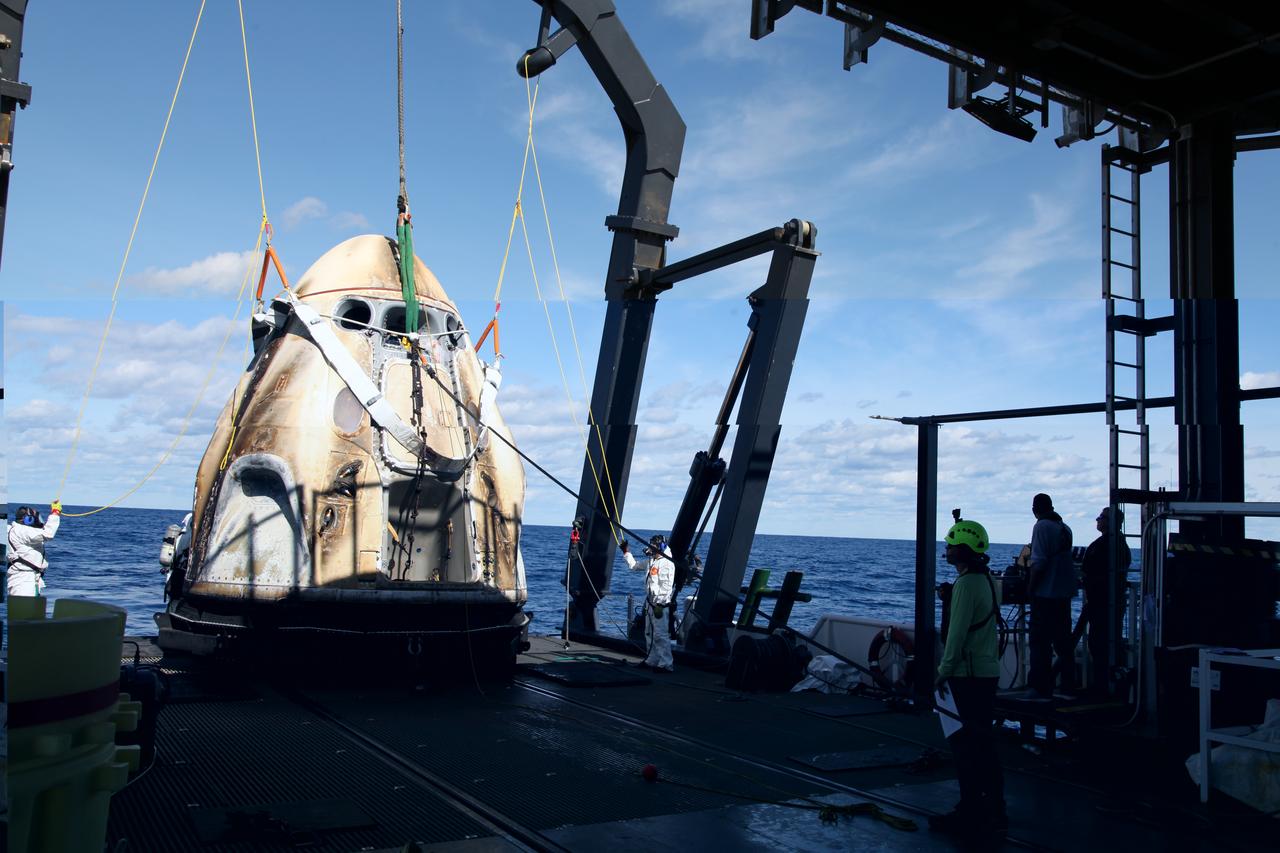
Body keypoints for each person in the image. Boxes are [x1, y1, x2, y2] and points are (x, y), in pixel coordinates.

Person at [932, 516, 1006, 838]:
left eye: (950, 544)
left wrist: (942, 673)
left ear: (961, 550)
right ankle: (993, 807)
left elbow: (956, 636)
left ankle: (971, 810)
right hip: (987, 674)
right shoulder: (987, 581)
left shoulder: (964, 585)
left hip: (966, 676)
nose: (946, 549)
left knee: (964, 748)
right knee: (984, 745)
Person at [1024, 492, 1075, 700]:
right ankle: (1068, 685)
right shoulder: (1065, 528)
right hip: (1063, 594)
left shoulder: (1041, 526)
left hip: (1045, 594)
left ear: (1035, 508)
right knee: (1063, 642)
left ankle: (1039, 687)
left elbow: (1039, 563)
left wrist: (1030, 588)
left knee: (1039, 642)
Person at [1076, 507, 1132, 694]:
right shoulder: (1121, 545)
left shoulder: (1103, 545)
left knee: (1099, 644)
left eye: (1101, 517)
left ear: (1109, 521)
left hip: (1101, 602)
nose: (1097, 520)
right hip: (1111, 602)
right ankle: (1114, 686)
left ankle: (1102, 687)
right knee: (1111, 643)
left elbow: (1089, 569)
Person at [620, 534, 675, 672]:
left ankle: (666, 664)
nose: (651, 548)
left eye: (654, 546)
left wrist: (659, 604)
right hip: (650, 603)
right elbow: (634, 566)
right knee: (649, 632)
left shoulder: (667, 563)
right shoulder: (651, 561)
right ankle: (652, 660)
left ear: (661, 547)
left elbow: (666, 587)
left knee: (661, 634)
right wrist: (626, 552)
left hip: (659, 605)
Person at [7, 501, 63, 597]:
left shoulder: (13, 529)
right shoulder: (22, 531)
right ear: (28, 519)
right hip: (24, 580)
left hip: (25, 577)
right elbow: (48, 534)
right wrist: (55, 512)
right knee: (25, 609)